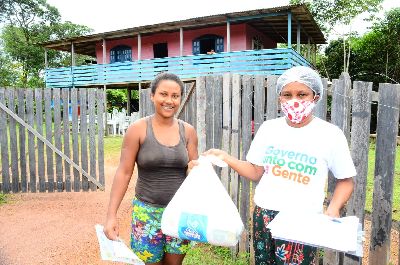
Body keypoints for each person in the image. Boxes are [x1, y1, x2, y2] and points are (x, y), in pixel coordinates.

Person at [203, 66, 356, 264]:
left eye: (302, 94)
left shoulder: (330, 134)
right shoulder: (269, 129)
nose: (294, 101)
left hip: (304, 218)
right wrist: (226, 157)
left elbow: (346, 180)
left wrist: (334, 208)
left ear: (315, 96)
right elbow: (256, 171)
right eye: (287, 95)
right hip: (264, 214)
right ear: (279, 98)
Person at [104, 72, 199, 265]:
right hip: (146, 213)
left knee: (174, 264)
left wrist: (196, 168)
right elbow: (124, 172)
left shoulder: (188, 131)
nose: (169, 101)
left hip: (179, 213)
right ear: (152, 95)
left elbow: (194, 174)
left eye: (175, 96)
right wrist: (111, 216)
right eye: (163, 94)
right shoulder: (138, 129)